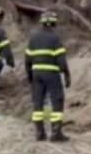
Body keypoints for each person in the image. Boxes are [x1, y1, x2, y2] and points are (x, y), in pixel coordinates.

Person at [25, 11, 71, 142]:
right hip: (51, 74)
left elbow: (27, 59)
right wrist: (66, 74)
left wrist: (29, 75)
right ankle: (56, 132)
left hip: (36, 73)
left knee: (37, 102)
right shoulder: (55, 38)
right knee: (57, 100)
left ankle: (39, 132)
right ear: (54, 23)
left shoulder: (33, 38)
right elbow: (61, 59)